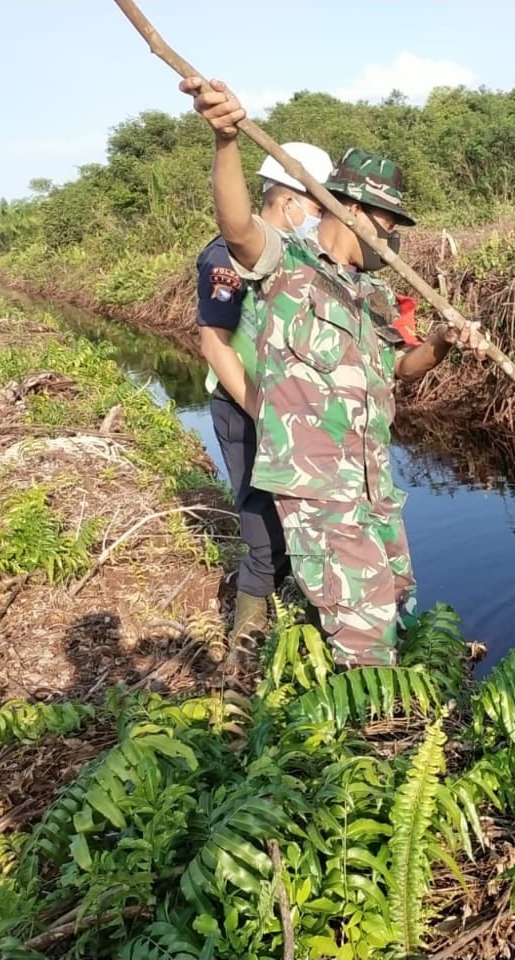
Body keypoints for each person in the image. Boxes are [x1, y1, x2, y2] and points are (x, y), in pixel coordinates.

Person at [182, 76, 488, 668]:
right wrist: (225, 140)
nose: (393, 238)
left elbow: (401, 369)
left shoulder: (374, 294)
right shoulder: (288, 265)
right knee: (363, 632)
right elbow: (237, 228)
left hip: (373, 483)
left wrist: (443, 342)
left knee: (396, 598)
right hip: (319, 487)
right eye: (389, 223)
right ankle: (363, 717)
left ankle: (400, 693)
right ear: (352, 212)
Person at [194, 142, 334, 659]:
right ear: (289, 199)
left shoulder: (302, 256)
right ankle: (247, 643)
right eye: (316, 206)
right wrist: (262, 411)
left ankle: (319, 636)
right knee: (263, 528)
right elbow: (214, 343)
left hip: (296, 410)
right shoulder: (227, 257)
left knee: (314, 522)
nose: (318, 217)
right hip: (247, 407)